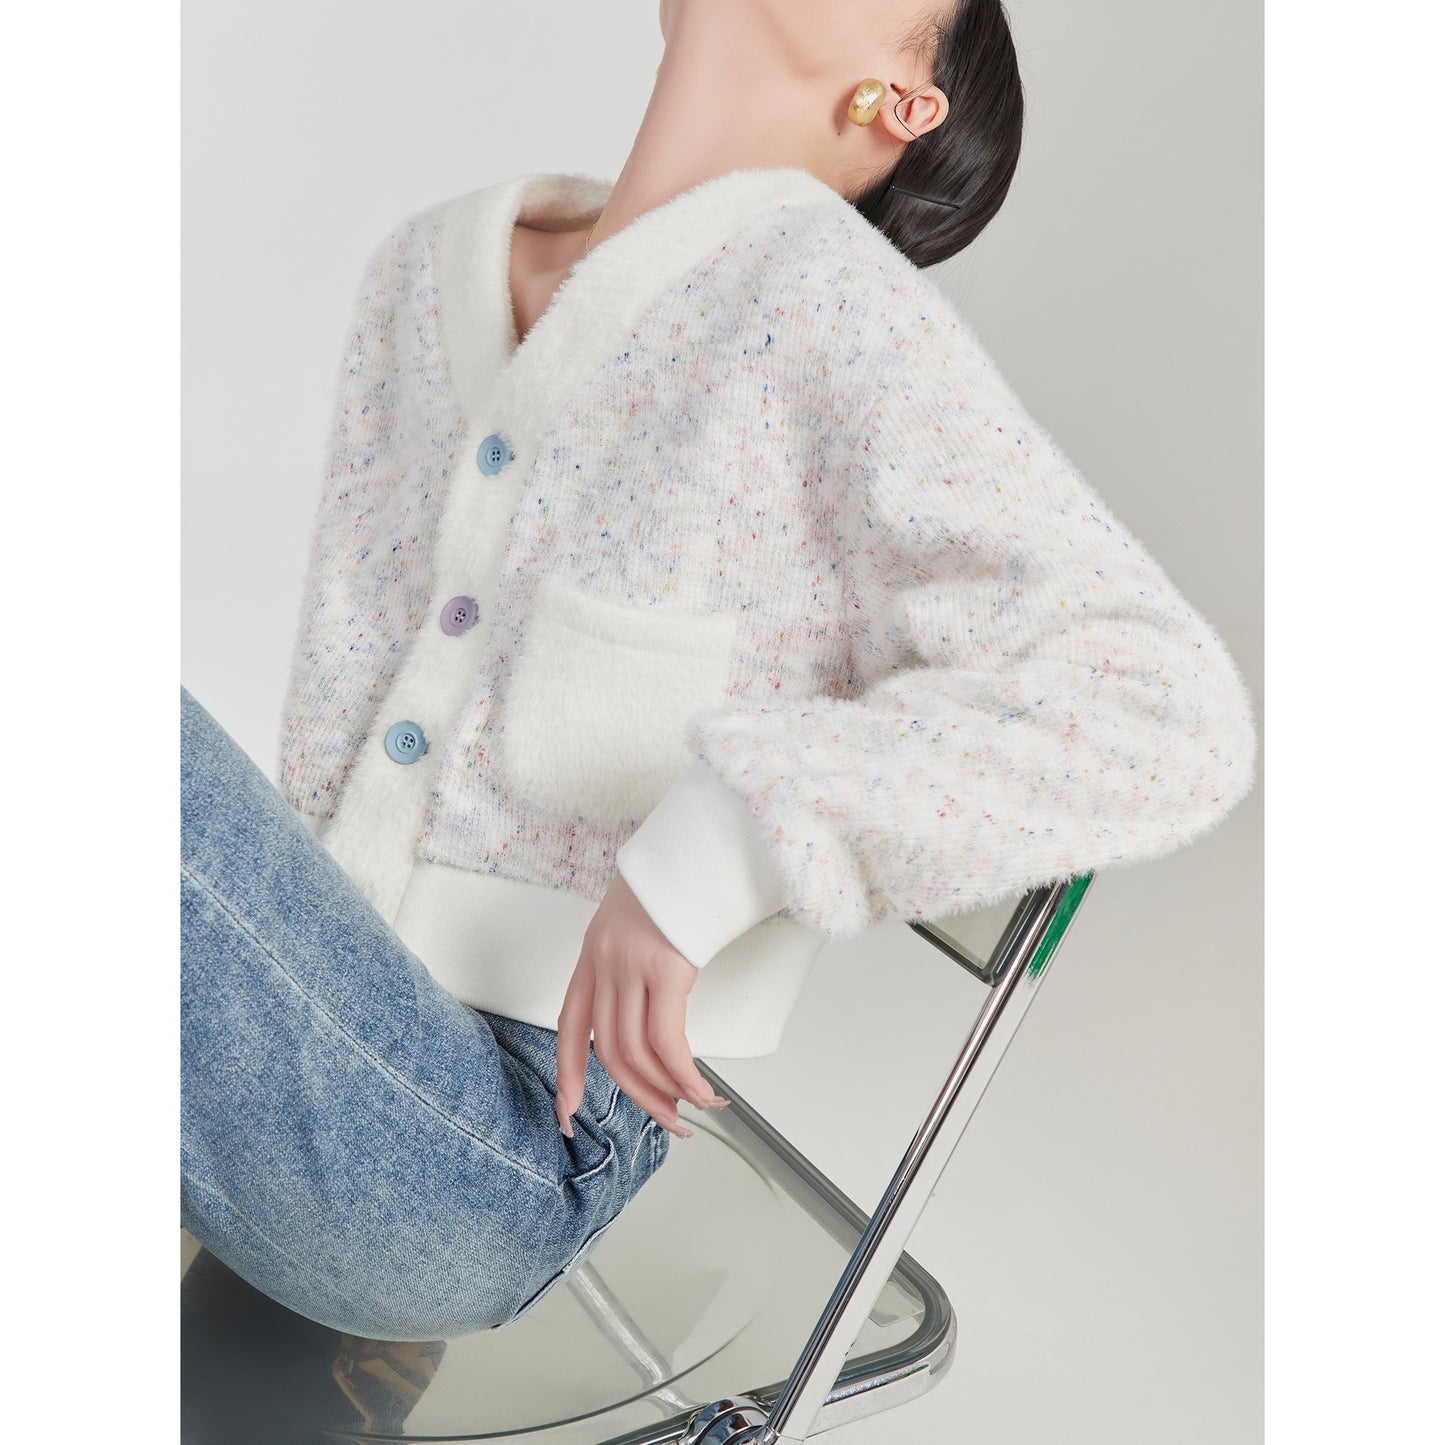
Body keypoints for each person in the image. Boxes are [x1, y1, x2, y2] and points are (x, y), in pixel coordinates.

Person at [182, 0, 1257, 1346]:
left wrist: (720, 844)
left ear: (902, 101)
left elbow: (1163, 708)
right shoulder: (430, 266)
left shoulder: (832, 306)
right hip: (279, 1053)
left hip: (496, 1147)